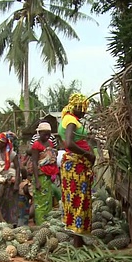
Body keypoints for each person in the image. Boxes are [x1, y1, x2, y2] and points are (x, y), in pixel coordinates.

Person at [58, 93, 96, 247]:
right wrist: (88, 154)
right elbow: (69, 143)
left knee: (76, 199)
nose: (85, 112)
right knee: (79, 200)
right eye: (83, 109)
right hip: (76, 166)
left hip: (75, 165)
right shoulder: (71, 121)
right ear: (78, 107)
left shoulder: (67, 117)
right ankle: (77, 242)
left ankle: (78, 240)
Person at [29, 122, 60, 224]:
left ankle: (47, 224)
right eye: (45, 134)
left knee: (48, 202)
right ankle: (40, 225)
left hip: (48, 177)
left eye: (49, 134)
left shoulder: (50, 144)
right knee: (40, 203)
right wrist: (37, 181)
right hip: (40, 176)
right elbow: (34, 162)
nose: (47, 136)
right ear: (39, 133)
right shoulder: (36, 145)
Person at [0, 132, 20, 224]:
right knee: (0, 201)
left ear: (4, 143)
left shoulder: (12, 154)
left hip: (12, 180)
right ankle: (1, 221)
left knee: (11, 201)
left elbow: (18, 168)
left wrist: (16, 183)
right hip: (0, 181)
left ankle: (13, 222)